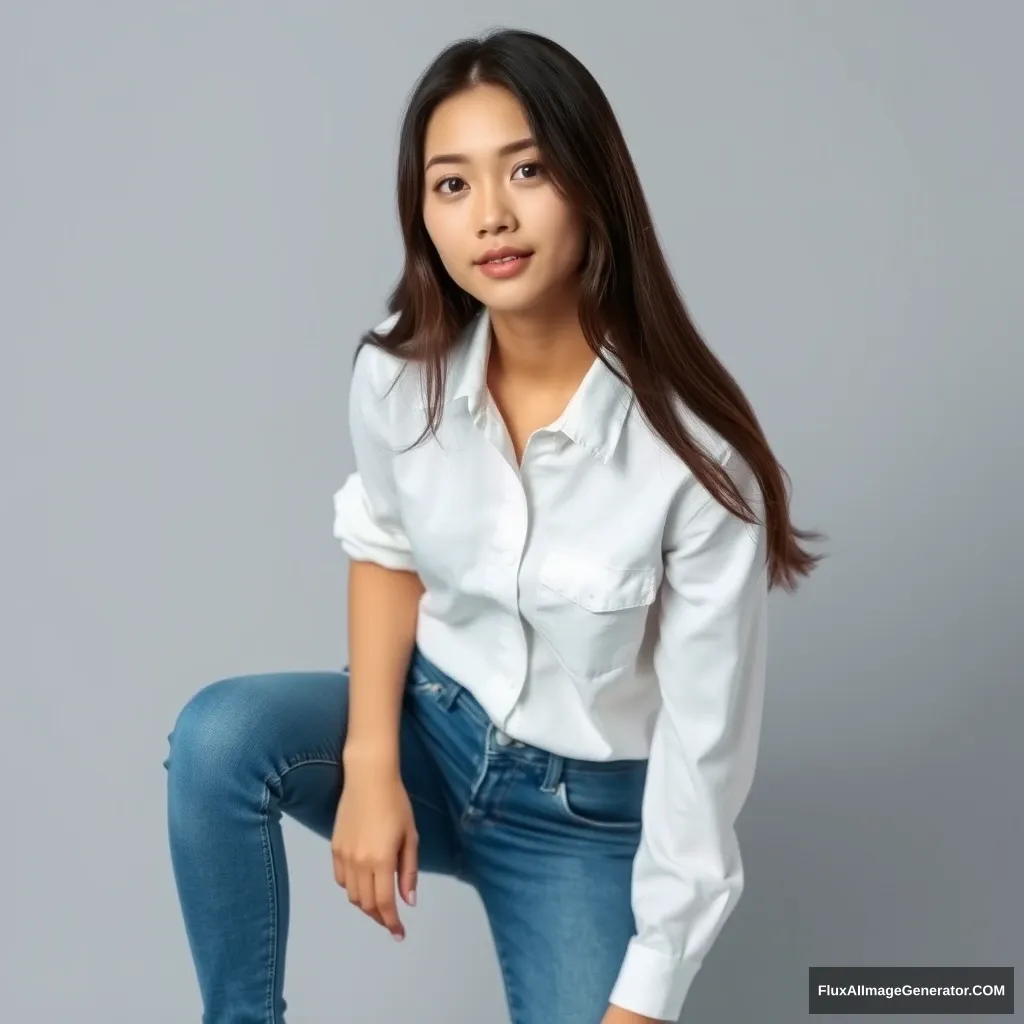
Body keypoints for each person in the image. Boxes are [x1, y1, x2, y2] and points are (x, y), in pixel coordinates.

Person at [164, 27, 824, 1024]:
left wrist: (644, 995)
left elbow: (703, 755)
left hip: (584, 818)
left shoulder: (693, 464)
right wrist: (372, 764)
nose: (492, 215)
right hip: (432, 731)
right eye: (452, 184)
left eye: (527, 169)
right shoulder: (397, 379)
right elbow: (385, 547)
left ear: (591, 186)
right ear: (422, 213)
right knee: (219, 738)